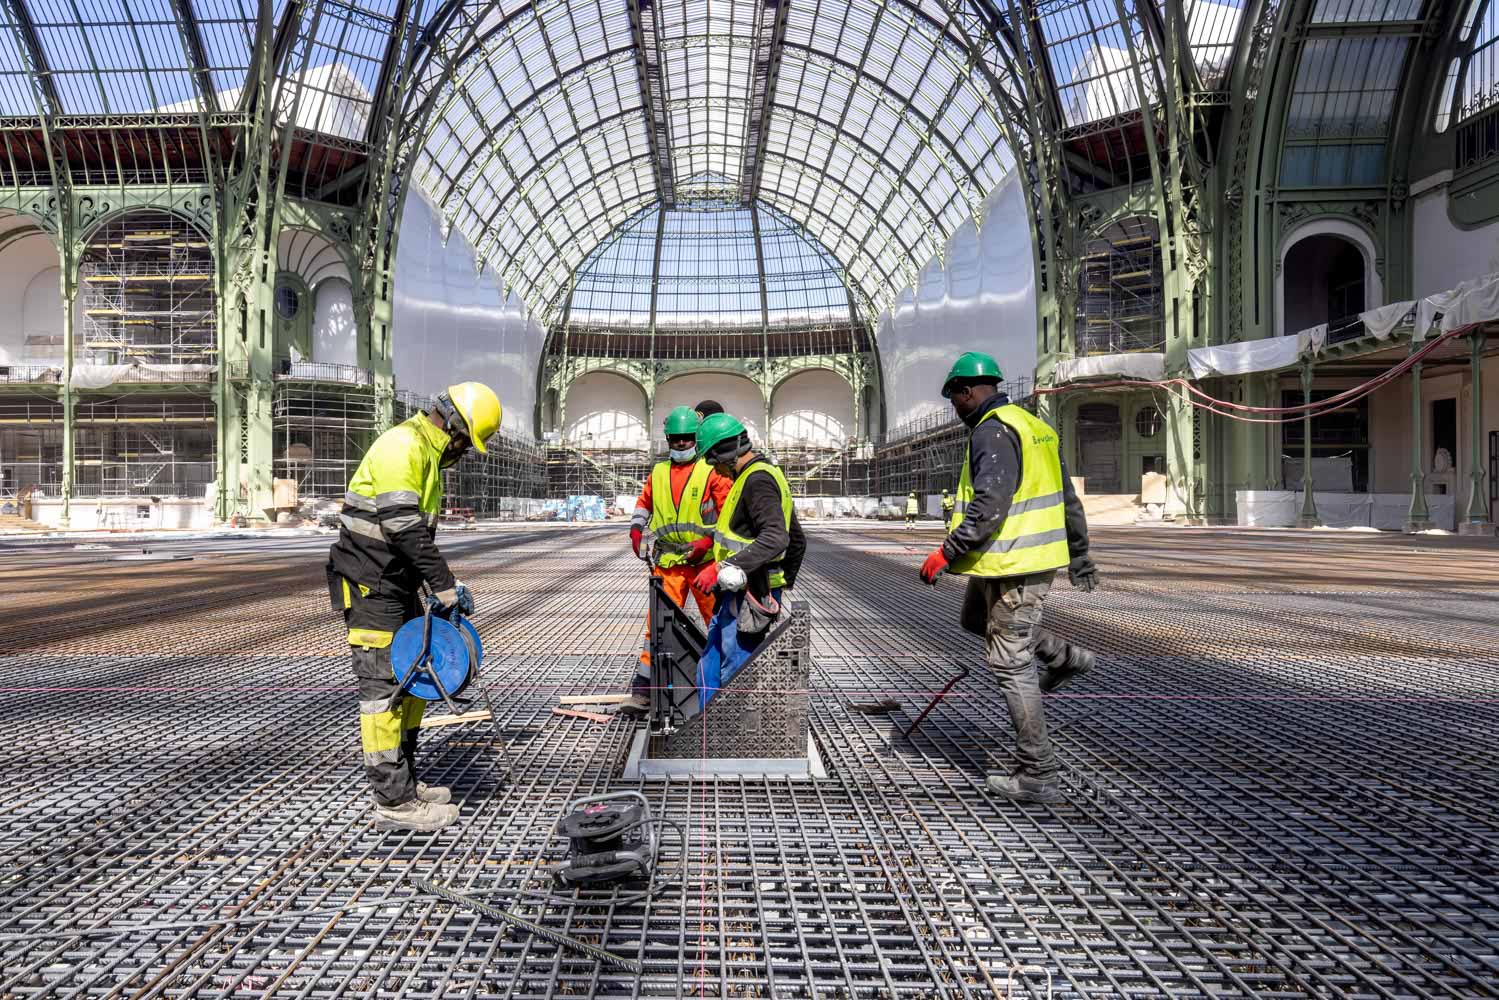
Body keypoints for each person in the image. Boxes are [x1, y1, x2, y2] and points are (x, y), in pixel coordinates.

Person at [917, 352, 1097, 804]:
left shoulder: (991, 431)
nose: (955, 409)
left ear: (967, 391)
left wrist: (947, 552)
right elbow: (1068, 498)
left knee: (1010, 661)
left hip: (1016, 563)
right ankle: (1064, 657)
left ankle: (1038, 773)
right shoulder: (1034, 426)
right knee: (975, 619)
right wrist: (1079, 555)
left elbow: (989, 504)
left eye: (955, 399)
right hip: (1007, 560)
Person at [326, 382, 502, 831]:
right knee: (383, 694)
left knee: (411, 683)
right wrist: (444, 586)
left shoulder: (425, 455)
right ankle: (394, 802)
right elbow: (402, 527)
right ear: (455, 429)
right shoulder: (402, 446)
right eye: (466, 443)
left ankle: (405, 783)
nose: (463, 452)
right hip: (370, 586)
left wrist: (440, 585)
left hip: (395, 584)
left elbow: (414, 540)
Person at [623, 406, 733, 712]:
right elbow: (643, 504)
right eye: (676, 438)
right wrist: (636, 529)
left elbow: (729, 515)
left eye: (687, 438)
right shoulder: (658, 473)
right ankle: (645, 689)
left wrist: (708, 542)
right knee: (657, 628)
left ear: (696, 438)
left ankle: (727, 686)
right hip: (669, 564)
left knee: (719, 623)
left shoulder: (712, 472)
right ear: (668, 439)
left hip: (705, 564)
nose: (682, 443)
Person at [691, 413, 806, 704]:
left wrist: (724, 567)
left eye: (713, 461)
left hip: (748, 595)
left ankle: (727, 730)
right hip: (740, 591)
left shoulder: (757, 481)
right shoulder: (762, 474)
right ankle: (707, 726)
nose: (715, 470)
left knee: (735, 671)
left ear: (725, 453)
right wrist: (780, 583)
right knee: (711, 664)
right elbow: (796, 539)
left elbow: (776, 537)